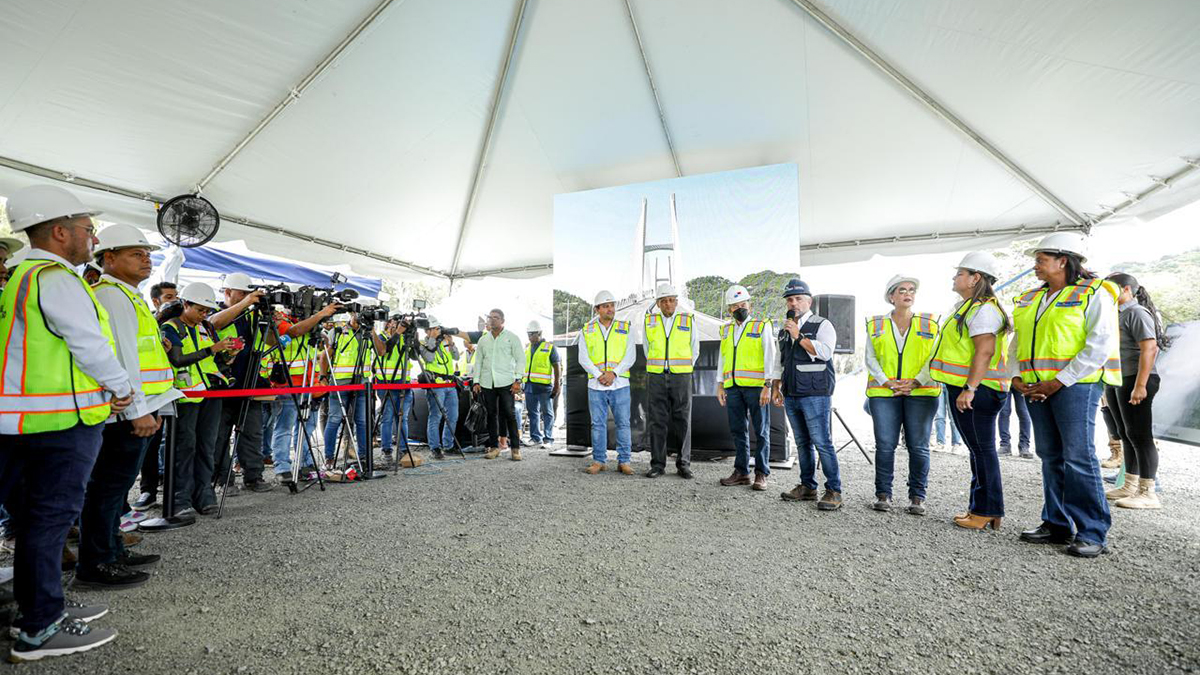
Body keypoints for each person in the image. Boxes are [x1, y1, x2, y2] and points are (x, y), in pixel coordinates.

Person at [0, 185, 132, 661]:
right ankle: (40, 627)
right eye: (86, 230)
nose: (91, 238)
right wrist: (121, 388)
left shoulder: (19, 275)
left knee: (35, 519)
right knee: (49, 520)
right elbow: (88, 345)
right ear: (60, 231)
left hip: (25, 419)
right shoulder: (55, 278)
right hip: (58, 423)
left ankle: (37, 606)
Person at [76, 224, 181, 590]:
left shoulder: (127, 294)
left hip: (140, 405)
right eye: (136, 254)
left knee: (116, 490)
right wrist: (137, 411)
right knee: (107, 488)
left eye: (148, 254)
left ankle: (112, 550)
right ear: (109, 258)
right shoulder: (112, 296)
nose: (146, 260)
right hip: (126, 411)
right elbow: (122, 357)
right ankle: (96, 563)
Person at [1011, 232, 1121, 558]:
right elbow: (1019, 341)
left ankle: (1092, 531)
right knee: (1050, 455)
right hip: (1035, 385)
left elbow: (1099, 344)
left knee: (1078, 456)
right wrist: (1015, 376)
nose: (1035, 266)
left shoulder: (1095, 293)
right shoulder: (1031, 298)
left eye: (1041, 260)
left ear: (1063, 261)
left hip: (1076, 386)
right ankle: (1056, 524)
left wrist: (1058, 381)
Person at [930, 252, 1012, 531]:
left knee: (982, 449)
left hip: (980, 390)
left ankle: (987, 509)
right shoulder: (967, 307)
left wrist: (970, 388)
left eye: (960, 273)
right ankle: (982, 508)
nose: (955, 277)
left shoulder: (983, 309)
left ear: (975, 278)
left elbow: (985, 351)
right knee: (978, 449)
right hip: (972, 389)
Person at [862, 275, 940, 515]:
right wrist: (888, 382)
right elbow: (870, 357)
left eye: (912, 290)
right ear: (891, 297)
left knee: (918, 446)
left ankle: (917, 497)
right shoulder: (875, 324)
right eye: (902, 290)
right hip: (884, 393)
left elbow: (935, 355)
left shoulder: (930, 322)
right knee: (885, 445)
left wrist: (916, 381)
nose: (908, 294)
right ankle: (883, 494)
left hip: (922, 392)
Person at [161, 283, 238, 516]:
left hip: (211, 393)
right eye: (200, 310)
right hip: (186, 397)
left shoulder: (206, 327)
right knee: (185, 448)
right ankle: (180, 498)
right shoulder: (170, 327)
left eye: (207, 311)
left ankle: (204, 495)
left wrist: (228, 355)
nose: (205, 315)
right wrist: (212, 350)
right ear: (186, 304)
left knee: (208, 447)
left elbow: (214, 363)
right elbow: (177, 359)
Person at [774, 279, 841, 510]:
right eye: (790, 300)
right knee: (802, 442)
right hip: (791, 393)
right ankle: (808, 486)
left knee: (822, 442)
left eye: (798, 299)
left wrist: (799, 336)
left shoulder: (822, 325)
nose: (793, 303)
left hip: (815, 393)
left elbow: (825, 352)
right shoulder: (784, 329)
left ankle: (834, 490)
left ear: (808, 301)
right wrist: (775, 386)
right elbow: (779, 360)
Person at [1102, 272, 1167, 510]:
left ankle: (1148, 491)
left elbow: (1150, 348)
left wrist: (1140, 385)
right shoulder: (1116, 314)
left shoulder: (1136, 313)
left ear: (1126, 290)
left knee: (1140, 435)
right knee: (1125, 432)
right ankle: (1129, 484)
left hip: (1137, 379)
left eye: (1110, 289)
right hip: (1120, 378)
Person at [266, 303, 341, 486]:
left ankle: (305, 464)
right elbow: (294, 331)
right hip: (287, 384)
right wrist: (320, 315)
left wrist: (321, 330)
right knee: (284, 427)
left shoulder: (311, 326)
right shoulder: (281, 322)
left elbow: (323, 343)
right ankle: (282, 468)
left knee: (307, 427)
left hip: (309, 385)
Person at [211, 273, 272, 492]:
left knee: (252, 433)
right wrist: (247, 303)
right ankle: (223, 479)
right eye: (243, 293)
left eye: (250, 294)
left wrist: (268, 317)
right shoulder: (213, 310)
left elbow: (270, 341)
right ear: (227, 292)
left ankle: (253, 477)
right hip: (223, 386)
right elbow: (214, 324)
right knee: (219, 436)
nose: (249, 297)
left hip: (250, 382)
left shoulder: (252, 315)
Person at [717, 285, 778, 491]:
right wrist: (720, 385)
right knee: (738, 431)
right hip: (733, 388)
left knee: (761, 431)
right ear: (729, 310)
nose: (740, 308)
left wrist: (767, 385)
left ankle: (761, 473)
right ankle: (742, 472)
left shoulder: (761, 326)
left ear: (750, 306)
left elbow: (771, 356)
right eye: (735, 306)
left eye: (743, 304)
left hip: (756, 388)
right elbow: (722, 359)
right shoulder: (726, 330)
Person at [641, 283, 698, 479]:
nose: (668, 304)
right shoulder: (649, 321)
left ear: (676, 302)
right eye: (664, 301)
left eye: (671, 300)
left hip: (681, 376)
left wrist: (684, 369)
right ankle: (657, 464)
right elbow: (647, 348)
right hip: (656, 375)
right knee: (657, 420)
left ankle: (684, 464)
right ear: (658, 303)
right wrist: (659, 367)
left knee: (683, 420)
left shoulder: (688, 319)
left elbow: (694, 348)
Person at [579, 291, 636, 475]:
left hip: (619, 384)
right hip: (596, 386)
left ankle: (624, 461)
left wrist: (613, 373)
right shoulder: (587, 330)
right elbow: (583, 357)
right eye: (605, 306)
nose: (610, 309)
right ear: (597, 309)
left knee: (623, 423)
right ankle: (599, 461)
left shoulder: (625, 327)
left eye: (612, 305)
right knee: (597, 424)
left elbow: (630, 355)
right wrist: (598, 375)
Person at [321, 313, 378, 467]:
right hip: (340, 383)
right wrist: (323, 376)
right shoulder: (338, 332)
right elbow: (325, 355)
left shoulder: (368, 333)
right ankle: (329, 458)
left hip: (363, 384)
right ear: (352, 314)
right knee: (334, 419)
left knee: (362, 421)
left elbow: (382, 351)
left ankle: (364, 457)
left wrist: (372, 331)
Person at [472, 309, 526, 460]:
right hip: (487, 382)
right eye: (490, 317)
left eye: (496, 318)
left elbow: (521, 359)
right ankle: (494, 447)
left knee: (509, 413)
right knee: (491, 415)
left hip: (507, 382)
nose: (492, 320)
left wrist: (518, 379)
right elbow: (478, 362)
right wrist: (476, 381)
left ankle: (515, 448)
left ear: (503, 320)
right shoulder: (483, 340)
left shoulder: (512, 338)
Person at [377, 316, 417, 462]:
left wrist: (414, 335)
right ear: (389, 323)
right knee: (387, 418)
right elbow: (385, 350)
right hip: (386, 383)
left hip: (404, 384)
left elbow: (414, 355)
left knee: (402, 418)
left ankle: (403, 450)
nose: (400, 325)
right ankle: (386, 450)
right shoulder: (381, 337)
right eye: (396, 321)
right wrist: (398, 333)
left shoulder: (404, 338)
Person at [420, 315, 460, 459]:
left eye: (438, 329)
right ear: (428, 331)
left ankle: (448, 446)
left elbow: (456, 357)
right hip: (436, 385)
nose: (438, 331)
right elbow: (429, 358)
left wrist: (451, 344)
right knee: (436, 416)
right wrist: (432, 338)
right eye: (435, 329)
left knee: (453, 416)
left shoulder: (443, 343)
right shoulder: (423, 343)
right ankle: (435, 447)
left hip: (450, 384)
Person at [523, 320, 561, 449]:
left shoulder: (549, 347)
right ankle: (535, 437)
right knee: (532, 412)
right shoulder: (528, 348)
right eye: (528, 334)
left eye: (532, 334)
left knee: (547, 413)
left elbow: (557, 367)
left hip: (544, 387)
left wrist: (557, 385)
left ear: (539, 333)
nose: (530, 336)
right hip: (529, 386)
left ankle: (548, 438)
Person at [997, 389, 1033, 458]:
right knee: (1004, 412)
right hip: (1006, 381)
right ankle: (1005, 445)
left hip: (1021, 381)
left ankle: (1024, 446)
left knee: (1023, 412)